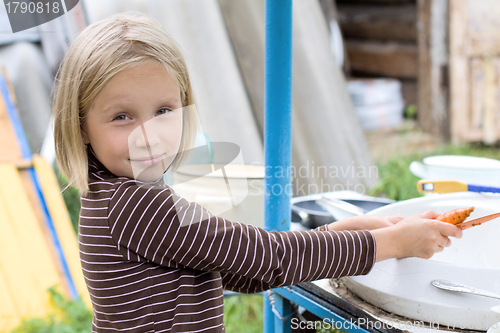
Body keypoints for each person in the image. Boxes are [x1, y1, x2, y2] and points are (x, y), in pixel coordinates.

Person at [53, 12, 462, 333]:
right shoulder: (138, 204)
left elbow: (239, 269)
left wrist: (350, 231)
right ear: (81, 125)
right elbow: (265, 259)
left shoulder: (116, 195)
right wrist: (388, 244)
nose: (150, 136)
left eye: (163, 111)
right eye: (122, 116)